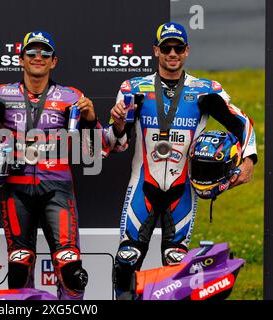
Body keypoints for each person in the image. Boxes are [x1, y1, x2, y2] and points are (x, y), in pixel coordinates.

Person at [103, 22, 257, 299]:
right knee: (126, 260)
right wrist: (116, 125)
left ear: (187, 51)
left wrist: (248, 161)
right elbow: (116, 144)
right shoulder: (133, 88)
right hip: (143, 184)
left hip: (183, 188)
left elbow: (242, 123)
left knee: (177, 267)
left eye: (178, 48)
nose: (172, 53)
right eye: (166, 48)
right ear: (156, 51)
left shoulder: (206, 90)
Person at [0, 31, 100, 300]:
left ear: (54, 61)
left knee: (72, 271)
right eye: (31, 53)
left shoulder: (72, 97)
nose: (38, 57)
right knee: (18, 269)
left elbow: (96, 148)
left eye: (44, 53)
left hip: (57, 190)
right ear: (21, 59)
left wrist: (90, 118)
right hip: (15, 190)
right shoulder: (1, 95)